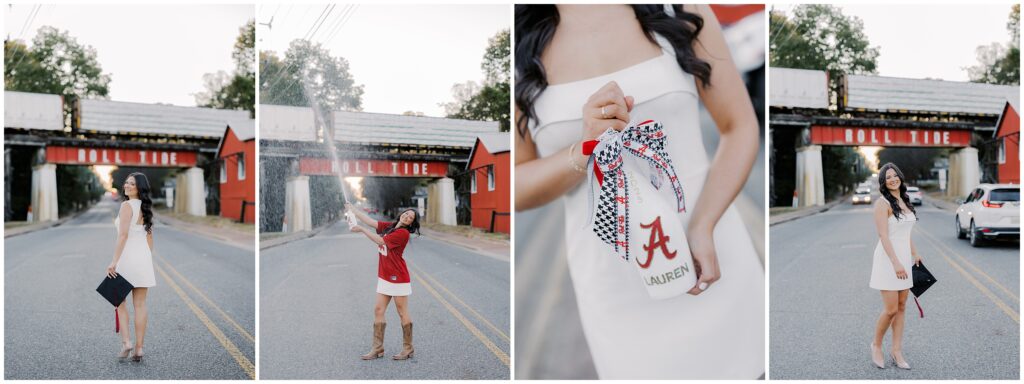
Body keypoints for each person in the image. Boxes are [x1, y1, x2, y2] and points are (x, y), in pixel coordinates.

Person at [514, 4, 764, 379]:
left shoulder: (681, 9)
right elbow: (516, 186)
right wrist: (586, 147)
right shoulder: (517, 45)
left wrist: (703, 224)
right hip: (614, 288)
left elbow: (739, 126)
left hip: (711, 256)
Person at [346, 203, 420, 360]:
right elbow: (371, 221)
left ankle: (408, 348)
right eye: (406, 213)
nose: (407, 217)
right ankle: (377, 348)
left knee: (402, 312)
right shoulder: (391, 226)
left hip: (398, 278)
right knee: (378, 310)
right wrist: (353, 210)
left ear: (411, 223)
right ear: (401, 214)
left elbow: (380, 242)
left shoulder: (403, 233)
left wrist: (362, 230)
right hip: (385, 276)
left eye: (410, 218)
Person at [869, 163, 920, 370]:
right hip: (888, 260)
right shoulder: (882, 204)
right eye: (887, 177)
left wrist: (914, 253)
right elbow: (884, 235)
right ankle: (876, 345)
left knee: (901, 307)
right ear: (883, 182)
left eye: (894, 175)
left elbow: (904, 233)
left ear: (900, 177)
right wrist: (896, 262)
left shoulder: (905, 200)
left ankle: (896, 350)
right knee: (890, 309)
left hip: (904, 260)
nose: (892, 179)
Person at [105, 173, 156, 362]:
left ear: (139, 188)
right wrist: (145, 258)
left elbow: (123, 235)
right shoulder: (146, 208)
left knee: (119, 302)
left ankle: (127, 343)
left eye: (131, 184)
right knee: (140, 305)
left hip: (126, 259)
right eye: (126, 182)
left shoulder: (126, 206)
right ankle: (139, 348)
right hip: (143, 259)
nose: (126, 185)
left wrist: (114, 261)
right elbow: (150, 240)